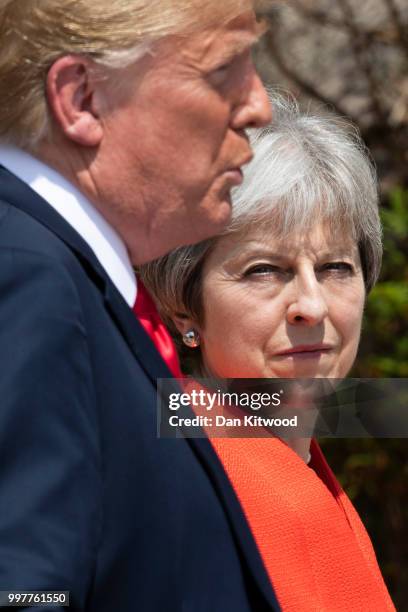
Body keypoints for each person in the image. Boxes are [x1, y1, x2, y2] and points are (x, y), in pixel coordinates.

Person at [0, 1, 277, 611]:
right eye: (223, 69)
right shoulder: (27, 275)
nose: (259, 105)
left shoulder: (56, 272)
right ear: (82, 99)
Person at [139, 97, 396, 611]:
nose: (311, 304)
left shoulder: (296, 469)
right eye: (264, 270)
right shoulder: (191, 480)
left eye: (335, 267)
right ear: (184, 309)